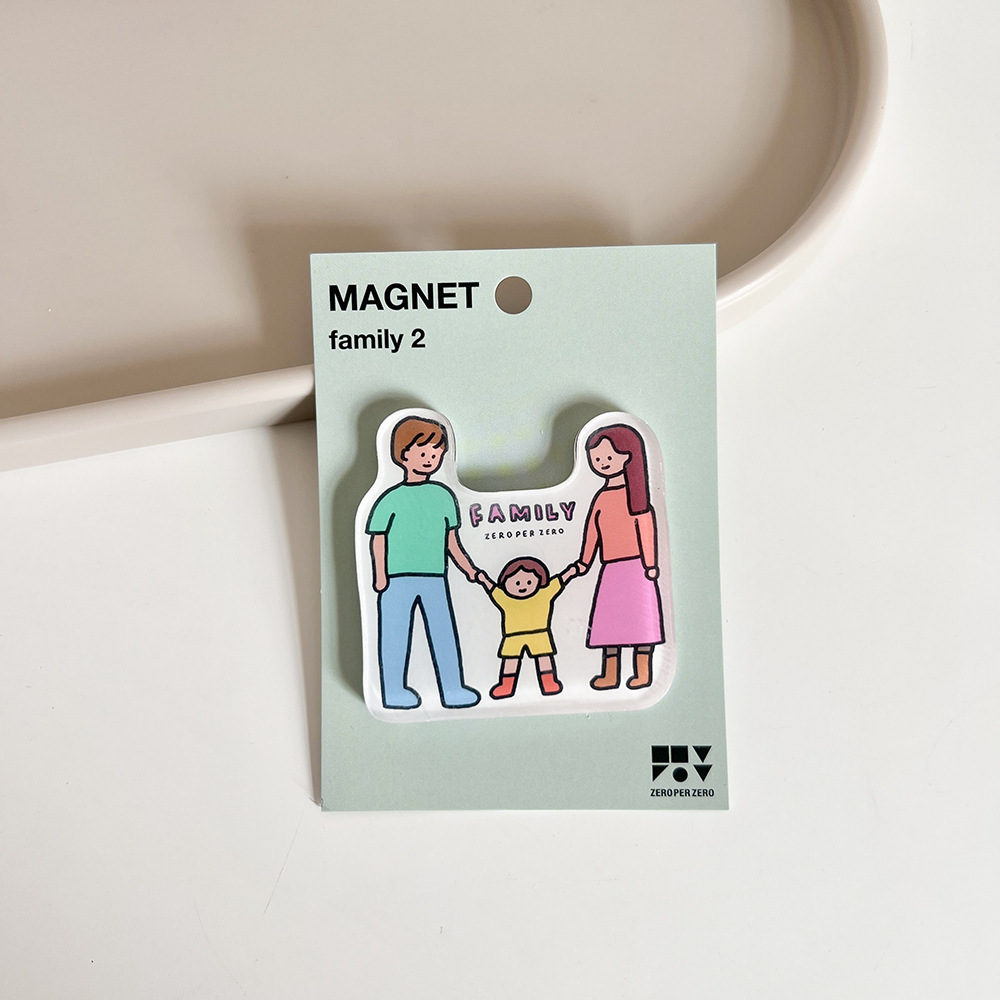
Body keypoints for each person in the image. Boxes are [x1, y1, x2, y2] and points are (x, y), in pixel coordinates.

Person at [365, 416, 481, 710]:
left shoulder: (443, 496)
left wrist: (470, 570)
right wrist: (380, 575)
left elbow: (452, 542)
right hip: (395, 580)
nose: (430, 459)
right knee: (394, 633)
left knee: (443, 632)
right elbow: (378, 539)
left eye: (435, 453)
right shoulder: (390, 498)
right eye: (423, 452)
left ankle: (453, 689)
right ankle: (392, 691)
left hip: (434, 578)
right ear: (403, 455)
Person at [576, 424, 664, 690]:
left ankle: (643, 672)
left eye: (608, 457)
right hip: (611, 570)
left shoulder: (637, 497)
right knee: (609, 624)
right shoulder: (601, 498)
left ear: (627, 456)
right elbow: (592, 531)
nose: (602, 463)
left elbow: (646, 527)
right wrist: (584, 561)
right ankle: (610, 674)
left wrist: (650, 564)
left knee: (640, 622)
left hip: (636, 569)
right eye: (596, 458)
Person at [477, 557, 577, 699]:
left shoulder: (544, 594)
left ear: (539, 581)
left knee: (544, 658)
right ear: (505, 583)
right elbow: (493, 589)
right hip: (513, 637)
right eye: (516, 582)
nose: (522, 586)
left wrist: (571, 571)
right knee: (510, 661)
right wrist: (483, 579)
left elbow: (559, 580)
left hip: (539, 634)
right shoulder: (506, 599)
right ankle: (506, 685)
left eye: (529, 582)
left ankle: (548, 682)